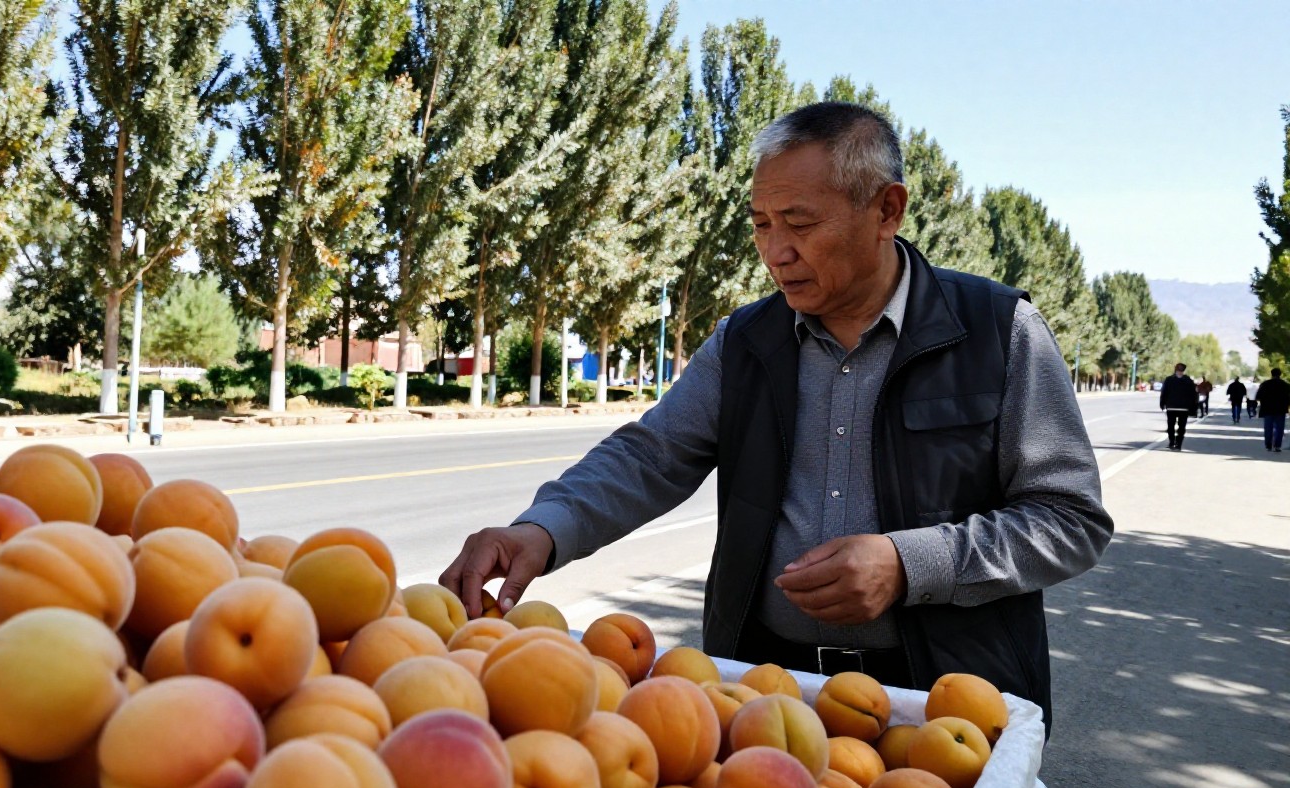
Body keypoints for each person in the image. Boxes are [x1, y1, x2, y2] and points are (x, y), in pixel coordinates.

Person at [439, 103, 1112, 730]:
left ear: (887, 210)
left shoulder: (999, 332)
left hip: (940, 705)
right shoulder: (746, 342)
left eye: (800, 222)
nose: (775, 250)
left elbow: (1069, 519)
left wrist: (911, 564)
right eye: (762, 223)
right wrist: (541, 529)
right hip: (768, 700)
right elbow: (651, 457)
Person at [1159, 364, 1198, 450]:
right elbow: (1194, 395)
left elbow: (1164, 392)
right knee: (1181, 427)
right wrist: (1193, 408)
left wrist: (1162, 404)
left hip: (1172, 407)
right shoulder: (1188, 381)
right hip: (1183, 408)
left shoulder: (1169, 380)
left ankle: (1172, 442)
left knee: (1171, 426)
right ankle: (1178, 444)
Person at [1257, 368, 1289, 452]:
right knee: (1279, 428)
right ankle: (1277, 446)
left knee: (1268, 428)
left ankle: (1268, 445)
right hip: (1280, 409)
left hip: (1267, 409)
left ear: (1271, 374)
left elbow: (1258, 396)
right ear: (1280, 374)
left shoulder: (1265, 384)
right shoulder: (1285, 385)